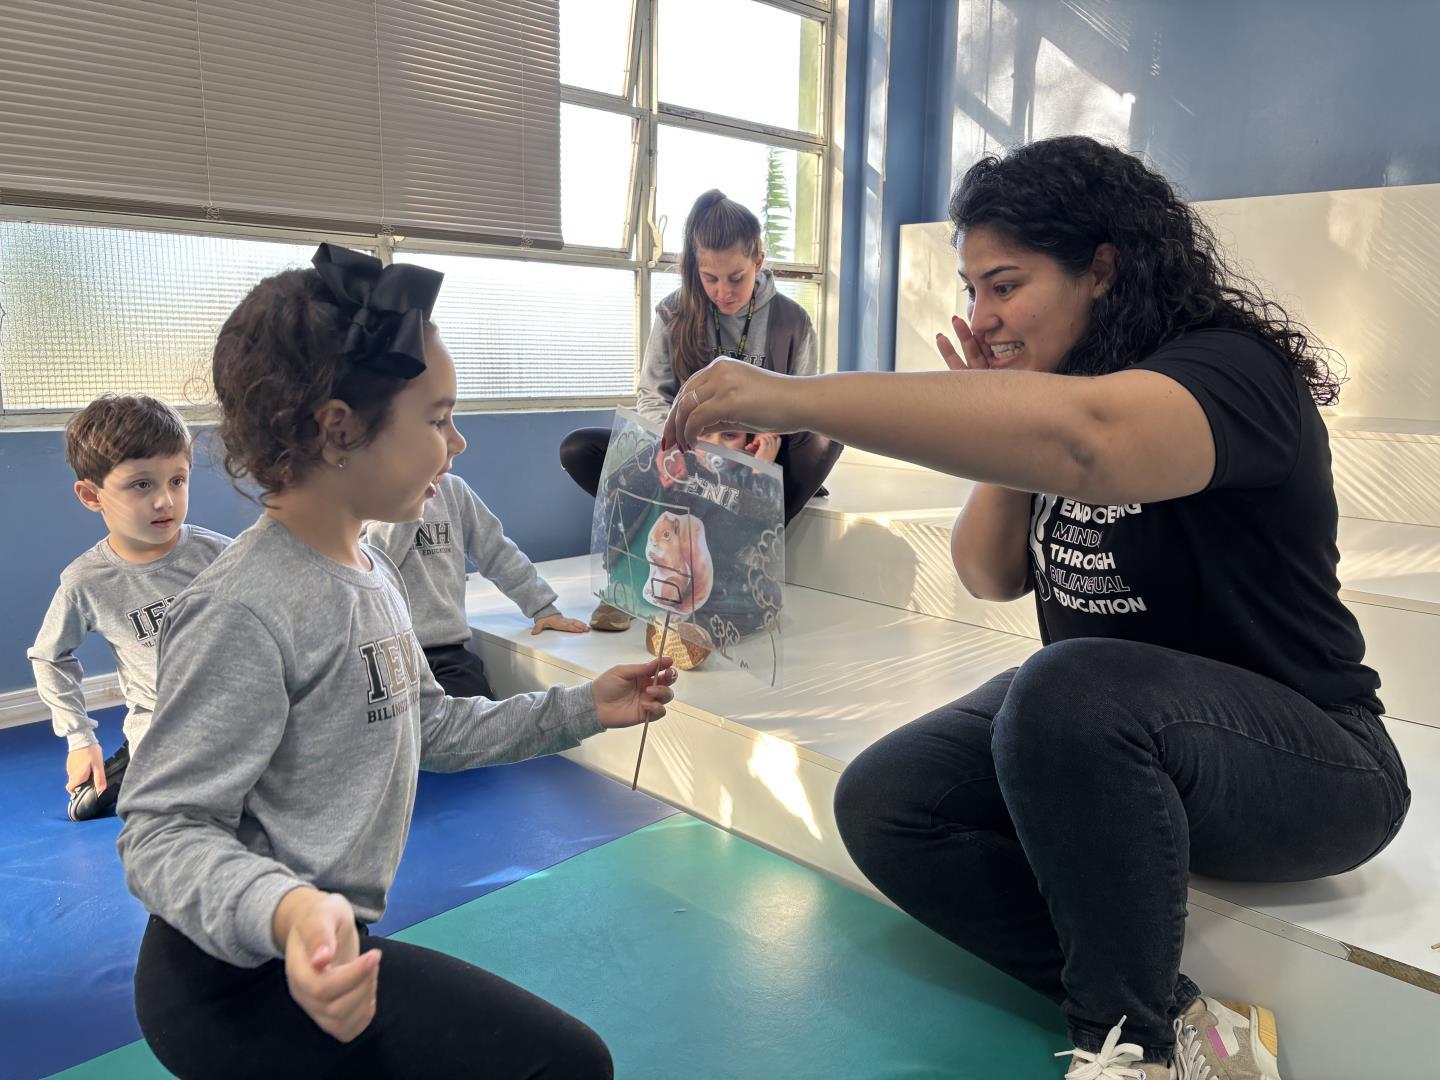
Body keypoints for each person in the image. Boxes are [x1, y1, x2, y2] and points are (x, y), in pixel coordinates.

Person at [663, 136, 1410, 1080]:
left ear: (1101, 268)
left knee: (1067, 685)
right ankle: (1184, 1018)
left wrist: (795, 397)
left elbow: (1092, 444)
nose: (983, 315)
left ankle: (1130, 1047)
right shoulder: (1067, 394)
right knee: (888, 803)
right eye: (973, 289)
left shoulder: (1227, 372)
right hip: (1131, 731)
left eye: (1005, 285)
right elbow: (986, 571)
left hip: (1316, 765)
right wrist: (1009, 396)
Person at [116, 244, 676, 1080]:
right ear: (338, 430)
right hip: (230, 983)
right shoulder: (242, 609)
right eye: (438, 416)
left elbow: (429, 723)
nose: (458, 441)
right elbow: (160, 830)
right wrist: (290, 910)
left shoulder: (371, 569)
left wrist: (583, 707)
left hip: (328, 951)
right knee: (565, 1067)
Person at [560, 189, 841, 632]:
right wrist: (687, 441)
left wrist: (757, 447)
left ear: (759, 261)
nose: (722, 291)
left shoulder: (792, 320)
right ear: (696, 265)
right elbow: (652, 396)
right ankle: (628, 580)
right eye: (710, 278)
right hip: (685, 454)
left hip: (755, 455)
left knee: (828, 436)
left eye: (736, 277)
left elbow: (802, 404)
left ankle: (738, 566)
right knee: (580, 449)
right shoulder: (674, 311)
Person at [27, 393, 230, 821]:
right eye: (142, 484)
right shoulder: (88, 581)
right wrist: (80, 738)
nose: (165, 501)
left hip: (237, 721)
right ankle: (128, 768)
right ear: (91, 495)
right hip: (164, 733)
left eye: (177, 480)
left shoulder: (220, 556)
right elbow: (49, 656)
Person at [361, 472, 589, 699]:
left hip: (447, 651)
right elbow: (370, 567)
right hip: (384, 655)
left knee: (486, 723)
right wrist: (411, 503)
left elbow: (496, 551)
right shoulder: (359, 489)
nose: (457, 444)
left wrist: (541, 607)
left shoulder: (453, 489)